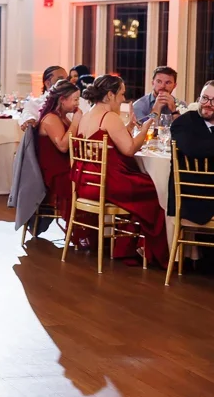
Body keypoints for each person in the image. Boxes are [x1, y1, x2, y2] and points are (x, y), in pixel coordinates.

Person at [71, 75, 169, 266]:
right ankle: (144, 249)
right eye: (122, 94)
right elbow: (129, 149)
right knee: (154, 190)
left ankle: (128, 245)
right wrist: (145, 129)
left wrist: (130, 126)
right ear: (110, 95)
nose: (123, 99)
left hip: (86, 181)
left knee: (143, 186)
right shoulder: (109, 117)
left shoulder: (89, 114)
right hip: (106, 182)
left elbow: (111, 141)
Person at [35, 80, 82, 243]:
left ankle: (87, 231)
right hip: (54, 172)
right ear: (62, 99)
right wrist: (76, 122)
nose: (77, 103)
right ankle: (81, 232)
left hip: (64, 167)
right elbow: (63, 146)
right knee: (84, 184)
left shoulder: (62, 117)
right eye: (75, 99)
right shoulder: (51, 118)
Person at [168, 81, 214, 225]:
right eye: (204, 98)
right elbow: (193, 149)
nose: (207, 104)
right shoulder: (184, 122)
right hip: (194, 199)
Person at [20, 65, 68, 130]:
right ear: (48, 83)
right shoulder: (35, 103)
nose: (66, 83)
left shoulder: (77, 101)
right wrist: (30, 120)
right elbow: (27, 114)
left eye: (67, 79)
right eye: (60, 79)